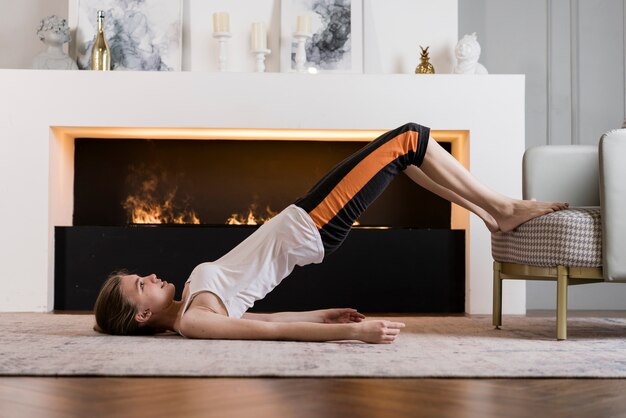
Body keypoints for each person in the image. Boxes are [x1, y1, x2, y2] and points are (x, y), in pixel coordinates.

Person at [93, 123, 567, 344]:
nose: (150, 276)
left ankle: (488, 214)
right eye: (141, 285)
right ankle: (502, 208)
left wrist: (323, 314)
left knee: (404, 156)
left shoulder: (190, 309)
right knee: (411, 137)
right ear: (140, 316)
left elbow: (266, 319)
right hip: (312, 225)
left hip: (305, 219)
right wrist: (355, 336)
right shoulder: (194, 322)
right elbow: (275, 337)